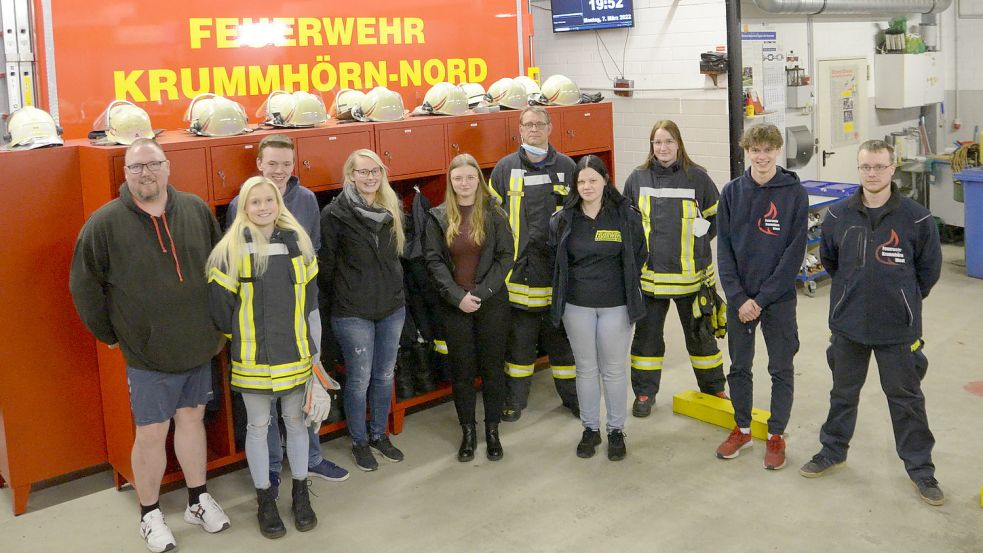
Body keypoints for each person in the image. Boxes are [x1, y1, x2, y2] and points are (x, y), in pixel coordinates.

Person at [69, 138, 230, 553]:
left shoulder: (195, 209)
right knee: (152, 432)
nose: (146, 174)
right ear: (125, 174)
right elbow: (84, 287)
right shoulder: (104, 224)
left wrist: (217, 329)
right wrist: (112, 334)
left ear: (167, 166)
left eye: (153, 165)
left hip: (197, 343)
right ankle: (150, 513)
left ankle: (197, 500)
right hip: (147, 354)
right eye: (136, 167)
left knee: (192, 419)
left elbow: (217, 269)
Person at [800, 140, 944, 506]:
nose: (872, 173)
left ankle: (921, 470)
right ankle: (832, 452)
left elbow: (928, 272)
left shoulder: (916, 218)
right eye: (866, 167)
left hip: (898, 328)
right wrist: (852, 296)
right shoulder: (837, 217)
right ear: (859, 169)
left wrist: (901, 300)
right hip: (848, 326)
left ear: (892, 168)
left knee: (906, 400)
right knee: (842, 394)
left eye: (880, 166)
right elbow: (831, 262)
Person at [225, 134, 349, 491]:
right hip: (261, 323)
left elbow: (313, 256)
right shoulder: (240, 204)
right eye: (272, 163)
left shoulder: (307, 200)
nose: (279, 171)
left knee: (302, 401)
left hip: (298, 316)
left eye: (285, 164)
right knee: (263, 414)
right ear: (259, 165)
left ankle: (310, 461)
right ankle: (274, 472)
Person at [207, 176, 327, 538]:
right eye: (254, 202)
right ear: (244, 208)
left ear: (279, 204)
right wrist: (244, 341)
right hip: (253, 360)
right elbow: (220, 309)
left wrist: (314, 356)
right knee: (258, 429)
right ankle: (265, 500)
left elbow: (310, 305)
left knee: (296, 424)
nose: (263, 208)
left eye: (268, 201)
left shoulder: (298, 245)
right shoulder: (230, 252)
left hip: (295, 354)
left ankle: (301, 494)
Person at [714, 124, 808, 471]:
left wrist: (763, 298)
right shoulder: (732, 192)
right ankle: (741, 428)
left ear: (778, 151)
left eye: (769, 149)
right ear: (746, 152)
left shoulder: (793, 193)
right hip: (740, 299)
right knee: (739, 367)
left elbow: (794, 252)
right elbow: (723, 248)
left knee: (781, 367)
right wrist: (739, 298)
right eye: (756, 150)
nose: (762, 156)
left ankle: (776, 435)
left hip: (778, 300)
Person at [623, 120, 727, 418]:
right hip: (651, 279)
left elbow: (715, 217)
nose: (663, 147)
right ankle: (645, 393)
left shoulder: (698, 177)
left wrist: (695, 242)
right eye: (657, 142)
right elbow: (628, 223)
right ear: (651, 146)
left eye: (668, 141)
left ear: (678, 143)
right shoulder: (637, 178)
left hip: (692, 278)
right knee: (647, 339)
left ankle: (713, 389)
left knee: (701, 336)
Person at [549, 155, 646, 461]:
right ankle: (590, 429)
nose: (587, 186)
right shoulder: (563, 219)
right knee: (586, 370)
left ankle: (616, 431)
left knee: (614, 370)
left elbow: (640, 254)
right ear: (574, 185)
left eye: (593, 179)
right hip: (576, 306)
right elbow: (556, 259)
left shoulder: (625, 215)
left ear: (606, 180)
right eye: (581, 181)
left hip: (615, 305)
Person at [489, 105, 579, 422]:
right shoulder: (504, 169)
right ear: (520, 129)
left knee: (563, 348)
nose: (534, 130)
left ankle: (573, 399)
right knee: (519, 349)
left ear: (550, 127)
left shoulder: (569, 168)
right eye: (528, 125)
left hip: (556, 277)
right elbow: (492, 223)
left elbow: (580, 219)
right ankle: (514, 402)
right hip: (518, 277)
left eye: (539, 124)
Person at [320, 149, 407, 472]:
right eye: (363, 172)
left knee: (384, 375)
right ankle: (358, 441)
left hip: (391, 308)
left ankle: (378, 434)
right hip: (352, 311)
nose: (370, 177)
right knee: (359, 379)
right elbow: (326, 268)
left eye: (376, 171)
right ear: (351, 176)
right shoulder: (335, 215)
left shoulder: (392, 207)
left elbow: (400, 258)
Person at [424, 153, 514, 462]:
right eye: (458, 178)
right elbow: (433, 261)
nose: (464, 183)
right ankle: (468, 432)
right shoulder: (438, 216)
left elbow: (506, 256)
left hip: (491, 304)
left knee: (492, 370)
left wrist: (483, 292)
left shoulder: (495, 213)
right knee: (462, 373)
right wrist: (457, 297)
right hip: (454, 305)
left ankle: (492, 431)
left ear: (479, 179)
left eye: (470, 177)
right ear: (451, 181)